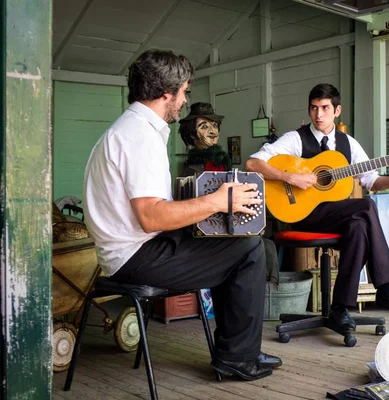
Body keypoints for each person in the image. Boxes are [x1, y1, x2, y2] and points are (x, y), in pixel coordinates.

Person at [82, 49, 280, 381]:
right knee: (248, 248)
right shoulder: (139, 136)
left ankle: (238, 351)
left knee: (231, 241)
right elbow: (151, 217)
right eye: (184, 91)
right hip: (136, 257)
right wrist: (218, 202)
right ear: (166, 93)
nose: (184, 101)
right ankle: (238, 357)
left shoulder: (129, 128)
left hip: (130, 251)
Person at [245, 83, 389, 333]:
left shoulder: (348, 144)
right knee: (366, 206)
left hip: (337, 216)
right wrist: (289, 177)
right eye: (314, 108)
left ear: (337, 110)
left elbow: (371, 180)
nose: (319, 114)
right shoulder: (295, 139)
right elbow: (253, 164)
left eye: (325, 108)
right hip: (301, 215)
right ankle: (386, 287)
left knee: (360, 226)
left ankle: (339, 307)